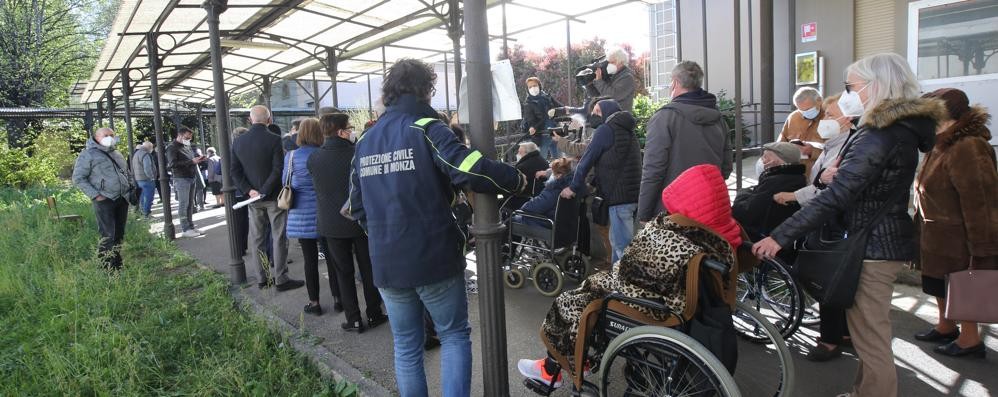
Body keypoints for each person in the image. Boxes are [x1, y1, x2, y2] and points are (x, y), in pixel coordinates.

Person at [752, 53, 945, 397]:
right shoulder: (890, 132)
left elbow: (838, 195)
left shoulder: (881, 134)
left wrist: (780, 236)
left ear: (876, 87)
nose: (846, 95)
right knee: (867, 333)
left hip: (870, 244)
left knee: (870, 338)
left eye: (851, 87)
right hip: (876, 240)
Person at [349, 58, 527, 397]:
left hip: (387, 262)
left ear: (389, 92)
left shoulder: (364, 142)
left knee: (406, 346)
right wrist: (517, 179)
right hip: (433, 257)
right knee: (454, 334)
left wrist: (386, 239)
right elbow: (467, 168)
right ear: (425, 90)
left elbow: (356, 206)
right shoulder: (427, 128)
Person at [518, 164, 743, 387]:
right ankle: (573, 355)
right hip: (679, 300)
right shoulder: (721, 232)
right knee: (590, 288)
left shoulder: (675, 239)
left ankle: (551, 369)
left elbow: (630, 271)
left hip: (651, 305)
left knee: (570, 301)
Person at [913, 88, 998, 358]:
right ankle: (946, 326)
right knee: (938, 283)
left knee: (962, 285)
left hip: (959, 235)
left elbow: (981, 198)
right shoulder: (941, 142)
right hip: (937, 233)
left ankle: (970, 340)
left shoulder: (969, 145)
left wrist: (982, 245)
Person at [773, 93, 857, 362]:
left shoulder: (848, 146)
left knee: (826, 279)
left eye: (831, 115)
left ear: (848, 117)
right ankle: (841, 333)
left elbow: (829, 190)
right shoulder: (837, 142)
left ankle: (830, 340)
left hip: (831, 221)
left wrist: (795, 196)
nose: (826, 120)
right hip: (830, 218)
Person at [310, 113, 388, 332]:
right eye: (350, 127)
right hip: (359, 220)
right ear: (341, 131)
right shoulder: (358, 153)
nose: (352, 131)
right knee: (368, 267)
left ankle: (353, 319)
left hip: (330, 224)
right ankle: (374, 312)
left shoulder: (313, 158)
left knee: (342, 272)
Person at [638, 61, 732, 223]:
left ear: (674, 83)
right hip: (710, 207)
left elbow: (653, 170)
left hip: (672, 212)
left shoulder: (664, 118)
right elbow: (726, 166)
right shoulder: (719, 119)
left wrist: (644, 214)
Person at [231, 105, 305, 291]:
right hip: (273, 197)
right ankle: (281, 278)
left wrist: (250, 191)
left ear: (250, 119)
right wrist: (264, 190)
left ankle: (262, 279)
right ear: (269, 119)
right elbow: (278, 168)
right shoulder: (274, 140)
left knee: (257, 240)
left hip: (253, 200)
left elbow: (235, 171)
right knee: (279, 237)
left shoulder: (238, 142)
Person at [559, 99, 641, 265]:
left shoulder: (606, 129)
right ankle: (617, 282)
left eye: (597, 111)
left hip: (619, 196)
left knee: (621, 245)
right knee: (618, 241)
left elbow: (586, 160)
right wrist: (594, 183)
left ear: (607, 112)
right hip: (630, 194)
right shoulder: (625, 128)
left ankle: (626, 286)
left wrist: (574, 187)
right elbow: (614, 162)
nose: (593, 115)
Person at [282, 118, 342, 316]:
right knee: (332, 258)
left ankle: (314, 302)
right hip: (324, 212)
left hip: (300, 214)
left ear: (300, 134)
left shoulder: (291, 157)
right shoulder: (323, 154)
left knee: (310, 260)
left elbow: (286, 181)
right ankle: (338, 299)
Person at [73, 127, 132, 270]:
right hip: (104, 199)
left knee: (119, 233)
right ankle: (106, 267)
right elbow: (78, 178)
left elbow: (126, 172)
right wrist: (96, 195)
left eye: (112, 135)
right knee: (107, 235)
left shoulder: (116, 153)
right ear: (96, 137)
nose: (109, 137)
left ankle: (117, 265)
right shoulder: (88, 155)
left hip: (122, 198)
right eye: (106, 135)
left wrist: (130, 186)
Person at [732, 142, 806, 242]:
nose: (762, 160)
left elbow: (743, 213)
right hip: (780, 236)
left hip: (761, 238)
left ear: (776, 161)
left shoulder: (775, 182)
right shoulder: (797, 177)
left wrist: (742, 192)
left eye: (765, 156)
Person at [166, 126, 206, 238]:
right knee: (184, 204)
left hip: (191, 177)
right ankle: (185, 228)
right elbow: (172, 164)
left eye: (190, 137)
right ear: (180, 135)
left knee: (190, 204)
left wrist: (198, 160)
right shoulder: (172, 148)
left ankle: (191, 226)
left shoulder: (186, 146)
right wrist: (191, 161)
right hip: (181, 178)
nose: (189, 139)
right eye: (187, 137)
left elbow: (189, 160)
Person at [779, 87, 826, 175]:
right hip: (794, 172)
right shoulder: (793, 117)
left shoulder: (831, 117)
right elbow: (782, 141)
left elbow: (839, 150)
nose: (805, 113)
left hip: (820, 173)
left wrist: (812, 151)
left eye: (808, 109)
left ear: (819, 101)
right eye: (801, 110)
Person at [515, 158, 575, 227]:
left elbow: (533, 207)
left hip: (547, 223)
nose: (551, 175)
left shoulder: (554, 188)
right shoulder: (571, 186)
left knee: (512, 219)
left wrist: (523, 207)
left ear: (559, 175)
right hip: (563, 223)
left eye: (552, 173)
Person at [522, 77, 564, 159]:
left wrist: (555, 111)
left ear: (539, 86)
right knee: (542, 160)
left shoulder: (547, 97)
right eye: (530, 87)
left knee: (560, 160)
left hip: (555, 131)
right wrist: (532, 127)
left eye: (534, 85)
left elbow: (560, 108)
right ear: (527, 89)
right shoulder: (528, 103)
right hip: (542, 135)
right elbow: (530, 119)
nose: (533, 88)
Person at [507, 142, 549, 213]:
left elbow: (515, 186)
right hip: (541, 196)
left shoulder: (523, 166)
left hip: (525, 199)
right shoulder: (543, 161)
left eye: (520, 152)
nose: (518, 154)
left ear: (526, 153)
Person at [590, 47, 636, 111]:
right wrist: (590, 83)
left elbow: (613, 96)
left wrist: (599, 81)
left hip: (619, 118)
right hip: (610, 116)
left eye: (612, 62)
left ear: (621, 63)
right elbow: (599, 97)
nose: (609, 65)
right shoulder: (613, 75)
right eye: (609, 62)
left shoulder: (627, 78)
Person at [131, 140, 157, 217]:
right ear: (149, 147)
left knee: (142, 196)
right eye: (151, 148)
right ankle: (146, 213)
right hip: (146, 179)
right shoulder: (145, 154)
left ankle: (143, 212)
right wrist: (152, 177)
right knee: (148, 197)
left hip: (139, 178)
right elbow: (147, 168)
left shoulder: (137, 153)